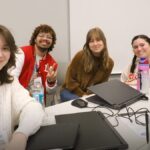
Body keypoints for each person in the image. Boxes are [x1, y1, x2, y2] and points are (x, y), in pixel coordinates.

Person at [0, 25, 44, 150]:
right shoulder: (23, 52)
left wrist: (21, 134)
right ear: (35, 38)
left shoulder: (9, 82)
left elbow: (33, 107)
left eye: (4, 48)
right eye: (41, 36)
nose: (0, 55)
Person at [60, 27, 114, 102]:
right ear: (88, 44)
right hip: (70, 91)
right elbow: (69, 81)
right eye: (91, 41)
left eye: (98, 40)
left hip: (90, 94)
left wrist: (88, 95)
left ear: (104, 42)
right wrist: (83, 95)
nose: (95, 44)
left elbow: (101, 86)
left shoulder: (109, 62)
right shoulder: (80, 56)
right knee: (83, 104)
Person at [11, 24, 58, 105]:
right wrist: (25, 95)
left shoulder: (52, 63)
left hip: (39, 100)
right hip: (18, 98)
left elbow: (50, 92)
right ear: (35, 39)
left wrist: (51, 81)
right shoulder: (21, 52)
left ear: (52, 42)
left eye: (49, 37)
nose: (45, 38)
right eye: (41, 35)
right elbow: (12, 78)